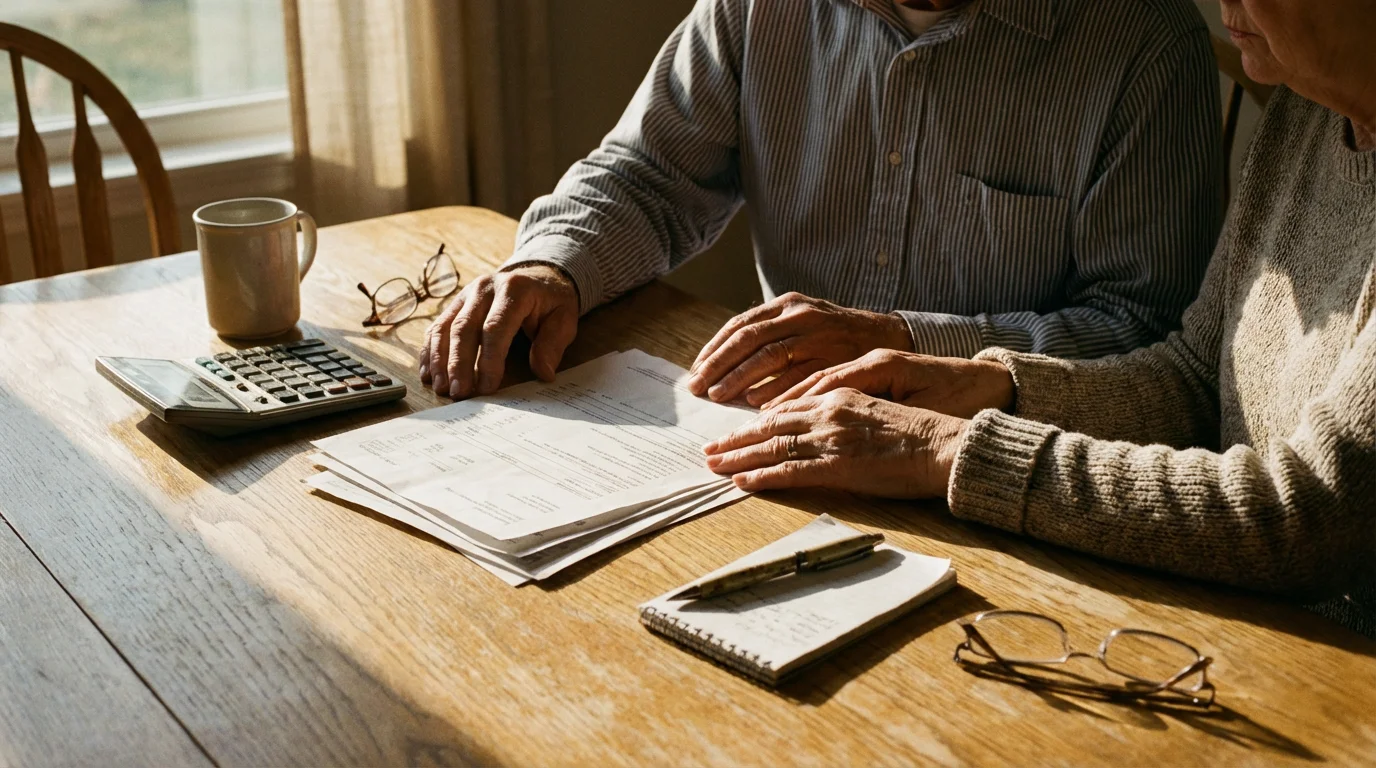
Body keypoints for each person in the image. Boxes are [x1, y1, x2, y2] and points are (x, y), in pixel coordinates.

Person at [702, 0, 1376, 634]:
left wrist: (944, 448)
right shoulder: (1306, 116)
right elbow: (1196, 377)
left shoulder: (1157, 43)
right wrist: (994, 386)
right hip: (1243, 619)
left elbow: (1308, 518)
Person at [420, 0, 1224, 404]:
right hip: (771, 432)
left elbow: (1148, 341)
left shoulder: (1144, 45)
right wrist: (555, 264)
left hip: (995, 474)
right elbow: (650, 173)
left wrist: (909, 343)